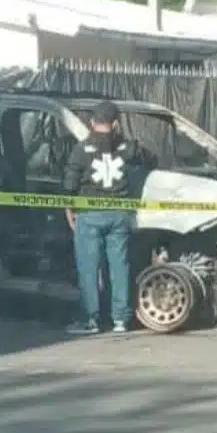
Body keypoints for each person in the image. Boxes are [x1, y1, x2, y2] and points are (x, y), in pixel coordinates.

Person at [62, 100, 153, 335]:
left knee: (88, 268)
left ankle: (90, 320)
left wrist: (69, 210)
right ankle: (121, 319)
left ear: (92, 122)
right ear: (116, 124)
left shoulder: (81, 150)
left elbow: (70, 184)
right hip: (120, 214)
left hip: (89, 214)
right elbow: (149, 161)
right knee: (119, 266)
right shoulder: (129, 149)